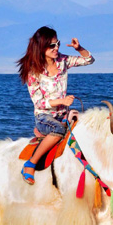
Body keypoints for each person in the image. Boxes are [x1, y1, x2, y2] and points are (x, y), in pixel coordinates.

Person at [17, 26, 95, 185]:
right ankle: (30, 164)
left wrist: (79, 48)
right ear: (41, 47)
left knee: (88, 125)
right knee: (59, 129)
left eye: (57, 43)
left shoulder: (62, 61)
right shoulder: (33, 71)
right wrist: (62, 101)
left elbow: (89, 60)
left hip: (63, 114)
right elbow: (39, 102)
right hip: (44, 116)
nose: (56, 48)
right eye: (52, 45)